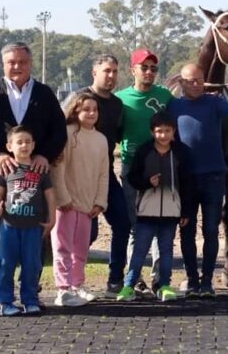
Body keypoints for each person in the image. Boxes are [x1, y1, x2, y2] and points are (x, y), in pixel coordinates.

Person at [0, 42, 67, 312]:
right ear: (3, 64)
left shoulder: (44, 94)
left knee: (33, 244)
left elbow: (59, 131)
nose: (17, 66)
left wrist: (44, 155)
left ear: (30, 63)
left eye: (22, 62)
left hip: (33, 184)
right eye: (11, 62)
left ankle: (30, 294)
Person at [166, 62, 228, 298]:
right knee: (187, 231)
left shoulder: (214, 102)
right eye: (190, 81)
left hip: (213, 177)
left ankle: (207, 281)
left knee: (211, 231)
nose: (196, 85)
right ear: (181, 82)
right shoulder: (174, 106)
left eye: (199, 81)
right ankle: (192, 279)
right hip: (186, 180)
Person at [67, 54, 132, 299]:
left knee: (123, 222)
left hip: (104, 175)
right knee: (87, 234)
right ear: (94, 73)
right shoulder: (78, 98)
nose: (111, 76)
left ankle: (115, 280)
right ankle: (71, 283)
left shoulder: (117, 105)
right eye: (107, 71)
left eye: (115, 71)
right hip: (78, 177)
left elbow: (118, 136)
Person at [114, 48, 173, 296]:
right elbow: (115, 132)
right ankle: (134, 278)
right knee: (135, 224)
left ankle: (160, 279)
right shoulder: (120, 99)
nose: (149, 72)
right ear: (133, 70)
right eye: (144, 67)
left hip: (163, 166)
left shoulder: (165, 96)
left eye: (153, 68)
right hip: (132, 168)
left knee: (161, 222)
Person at [118, 112, 194, 302]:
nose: (163, 135)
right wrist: (146, 183)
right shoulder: (144, 151)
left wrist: (186, 211)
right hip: (146, 212)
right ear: (152, 132)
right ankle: (128, 286)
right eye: (159, 131)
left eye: (167, 131)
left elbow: (188, 184)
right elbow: (132, 178)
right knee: (139, 251)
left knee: (166, 250)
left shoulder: (181, 153)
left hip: (171, 212)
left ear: (174, 131)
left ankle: (164, 285)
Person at [50, 92, 109, 307]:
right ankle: (63, 289)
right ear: (75, 111)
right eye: (86, 109)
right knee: (62, 247)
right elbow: (57, 167)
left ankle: (77, 285)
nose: (91, 113)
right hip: (65, 204)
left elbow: (104, 173)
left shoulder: (101, 139)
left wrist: (100, 202)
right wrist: (62, 197)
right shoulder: (66, 134)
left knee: (81, 248)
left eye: (95, 109)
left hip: (87, 204)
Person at [0, 126, 57, 316]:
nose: (24, 145)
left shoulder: (41, 171)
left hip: (33, 227)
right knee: (5, 263)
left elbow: (50, 197)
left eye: (28, 142)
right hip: (9, 226)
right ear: (9, 146)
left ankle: (30, 300)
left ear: (34, 145)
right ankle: (5, 301)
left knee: (31, 264)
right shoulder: (7, 170)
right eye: (19, 142)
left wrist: (52, 220)